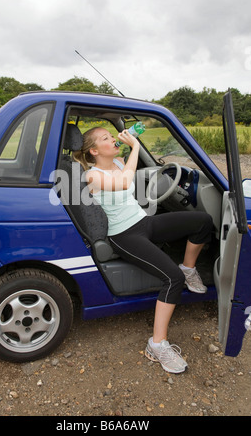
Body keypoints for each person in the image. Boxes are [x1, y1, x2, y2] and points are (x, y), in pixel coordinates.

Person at [73, 126, 213, 373]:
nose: (113, 139)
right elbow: (125, 180)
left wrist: (128, 149)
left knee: (202, 221)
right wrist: (136, 146)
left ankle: (189, 267)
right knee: (172, 279)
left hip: (143, 222)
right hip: (123, 235)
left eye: (112, 135)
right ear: (94, 151)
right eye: (106, 138)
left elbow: (130, 172)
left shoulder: (117, 160)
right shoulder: (91, 176)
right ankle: (157, 344)